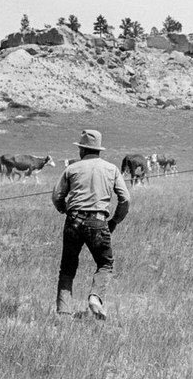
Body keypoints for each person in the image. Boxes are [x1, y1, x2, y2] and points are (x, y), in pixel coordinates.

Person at [52, 129, 130, 320]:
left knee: (67, 268)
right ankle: (95, 298)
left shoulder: (71, 169)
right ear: (98, 150)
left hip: (73, 220)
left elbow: (57, 196)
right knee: (105, 263)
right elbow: (125, 199)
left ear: (82, 150)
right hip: (98, 221)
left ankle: (63, 313)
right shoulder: (111, 169)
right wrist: (115, 221)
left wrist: (64, 209)